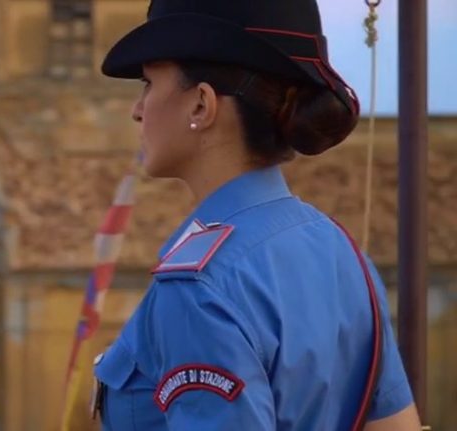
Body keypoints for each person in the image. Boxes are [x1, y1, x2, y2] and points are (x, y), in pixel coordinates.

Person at [91, 0, 422, 429]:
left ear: (201, 106)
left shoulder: (200, 287)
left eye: (148, 83)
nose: (138, 109)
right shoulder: (341, 252)